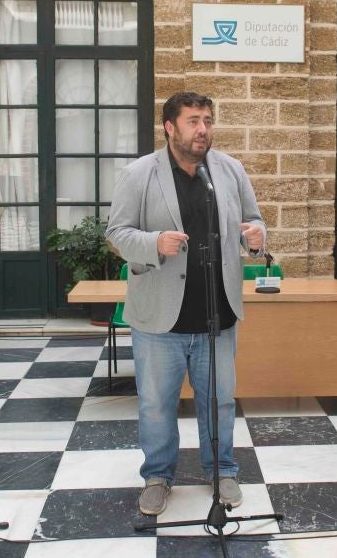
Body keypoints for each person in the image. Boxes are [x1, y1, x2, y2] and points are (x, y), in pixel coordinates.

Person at [106, 91, 266, 516]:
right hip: (160, 319)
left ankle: (222, 470)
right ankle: (158, 476)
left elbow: (254, 221)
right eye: (193, 121)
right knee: (157, 405)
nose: (203, 130)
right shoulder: (139, 174)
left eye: (208, 121)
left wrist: (256, 237)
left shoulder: (228, 171)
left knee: (220, 401)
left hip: (217, 315)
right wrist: (153, 243)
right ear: (169, 127)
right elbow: (116, 233)